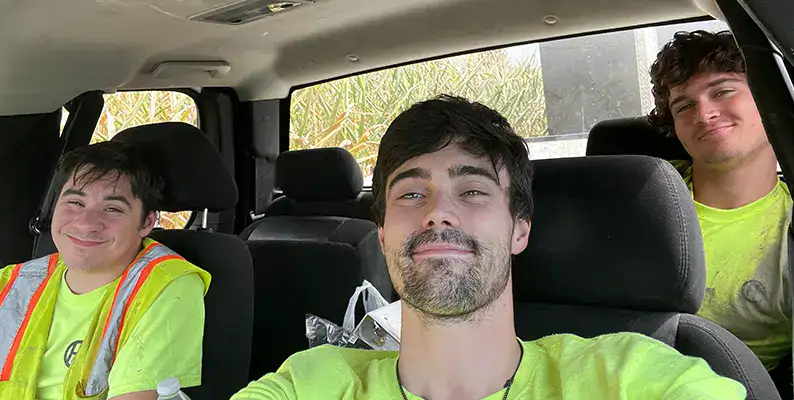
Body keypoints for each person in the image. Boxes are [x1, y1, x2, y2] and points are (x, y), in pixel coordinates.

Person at [231, 95, 744, 400]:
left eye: (472, 190)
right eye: (411, 192)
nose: (437, 211)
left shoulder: (630, 377)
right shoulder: (311, 382)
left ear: (520, 229)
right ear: (382, 234)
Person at [0, 141, 210, 400]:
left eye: (112, 209)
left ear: (147, 222)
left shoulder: (165, 285)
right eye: (76, 202)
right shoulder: (14, 280)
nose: (87, 224)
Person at [648, 29, 792, 390]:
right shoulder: (638, 201)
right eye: (684, 106)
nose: (705, 113)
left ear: (767, 99)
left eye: (723, 91)